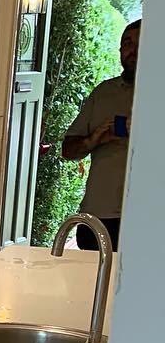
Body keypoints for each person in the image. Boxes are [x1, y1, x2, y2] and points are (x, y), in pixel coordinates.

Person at [61, 19, 141, 249]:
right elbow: (68, 151)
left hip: (150, 216)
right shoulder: (103, 93)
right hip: (99, 215)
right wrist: (92, 139)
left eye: (141, 43)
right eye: (127, 44)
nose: (133, 51)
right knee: (90, 284)